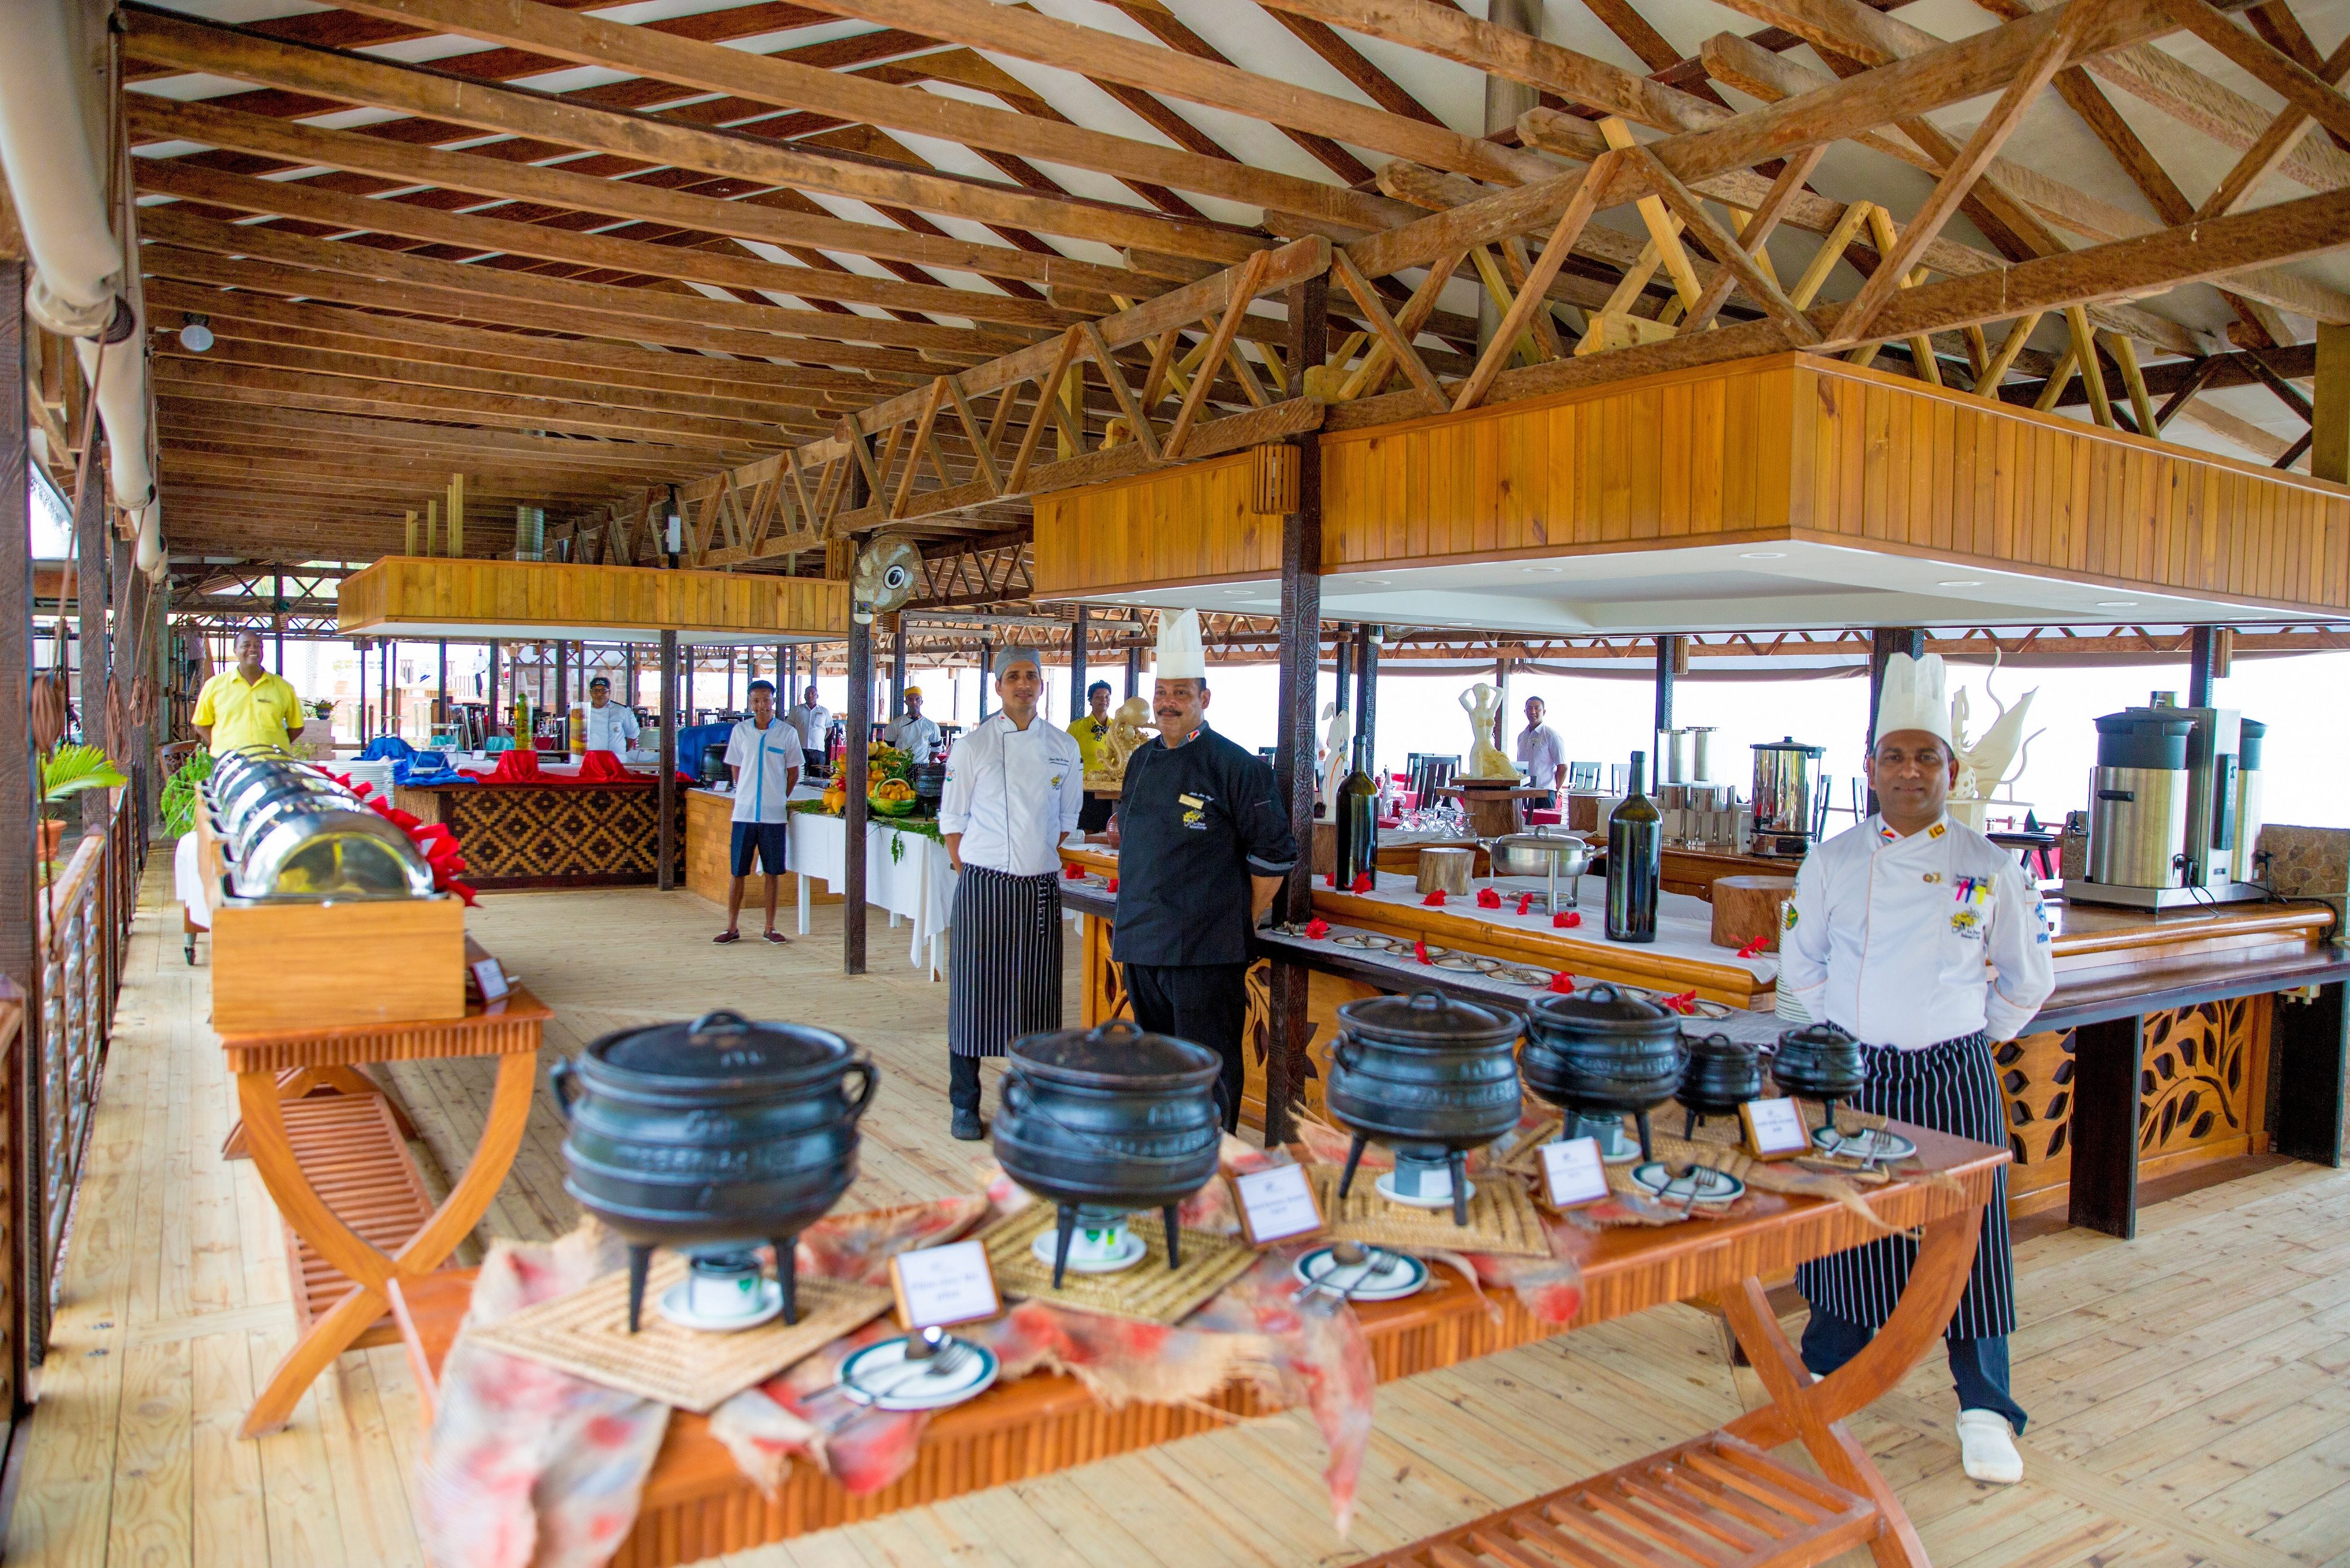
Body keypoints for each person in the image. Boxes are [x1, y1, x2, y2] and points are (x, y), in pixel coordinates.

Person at [1779, 651, 2054, 1487]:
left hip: (1955, 1077)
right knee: (1846, 1231)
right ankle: (1825, 1378)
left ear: (1951, 767)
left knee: (1972, 1242)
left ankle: (1984, 1408)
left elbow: (2028, 978)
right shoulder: (1832, 861)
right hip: (1859, 1078)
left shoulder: (1992, 867)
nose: (1909, 770)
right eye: (1894, 755)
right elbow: (1802, 969)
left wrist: (1963, 1031)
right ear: (1869, 768)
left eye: (1925, 755)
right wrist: (1847, 1038)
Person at [1106, 610, 1299, 1132]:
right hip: (1142, 943)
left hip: (1204, 952)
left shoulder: (1238, 767)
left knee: (1209, 1071)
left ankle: (1216, 1169)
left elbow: (1274, 857)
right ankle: (1170, 1163)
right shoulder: (1142, 759)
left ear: (1205, 699)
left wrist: (1239, 916)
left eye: (1181, 693)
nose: (1168, 703)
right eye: (1162, 691)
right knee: (1161, 1069)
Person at [938, 648, 1085, 1141]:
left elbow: (1066, 823)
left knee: (1037, 1001)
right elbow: (952, 823)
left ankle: (1032, 1104)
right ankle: (964, 1104)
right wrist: (978, 869)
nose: (1024, 684)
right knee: (972, 998)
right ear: (997, 686)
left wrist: (1033, 858)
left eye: (1031, 676)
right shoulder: (973, 746)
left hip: (1040, 888)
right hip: (983, 885)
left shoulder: (1064, 746)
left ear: (1042, 685)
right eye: (1014, 677)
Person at [715, 679, 800, 945]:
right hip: (744, 813)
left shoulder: (787, 733)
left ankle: (770, 927)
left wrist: (778, 797)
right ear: (750, 703)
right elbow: (736, 767)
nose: (761, 705)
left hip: (774, 816)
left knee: (773, 872)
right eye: (756, 701)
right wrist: (745, 792)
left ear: (773, 702)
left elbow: (793, 772)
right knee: (737, 871)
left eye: (766, 700)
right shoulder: (741, 732)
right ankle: (731, 927)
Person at [193, 630, 306, 756]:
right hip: (230, 765)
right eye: (246, 645)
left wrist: (276, 746)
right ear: (235, 650)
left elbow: (297, 727)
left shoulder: (284, 688)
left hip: (272, 764)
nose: (253, 649)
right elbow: (201, 725)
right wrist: (224, 747)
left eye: (258, 646)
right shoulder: (214, 685)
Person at [1067, 679, 1118, 832]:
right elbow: (1065, 755)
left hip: (1110, 789)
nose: (1104, 700)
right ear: (1090, 700)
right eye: (1098, 697)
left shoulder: (1117, 727)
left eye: (1107, 697)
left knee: (1109, 830)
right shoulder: (1077, 727)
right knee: (1087, 831)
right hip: (1085, 788)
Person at [1515, 695, 1566, 807]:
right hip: (1523, 793)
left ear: (1544, 712)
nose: (1533, 711)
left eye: (1537, 708)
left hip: (1544, 794)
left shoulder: (1551, 736)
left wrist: (1556, 789)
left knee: (1544, 825)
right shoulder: (1521, 736)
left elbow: (1563, 767)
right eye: (1529, 708)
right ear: (1525, 711)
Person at [581, 674, 640, 757]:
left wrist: (621, 753)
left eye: (603, 690)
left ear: (609, 692)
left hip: (617, 760)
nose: (599, 694)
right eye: (595, 691)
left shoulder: (622, 710)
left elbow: (632, 735)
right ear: (591, 693)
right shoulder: (584, 711)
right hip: (592, 761)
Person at [881, 685, 942, 759]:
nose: (914, 702)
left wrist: (927, 764)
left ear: (921, 702)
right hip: (901, 767)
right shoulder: (895, 724)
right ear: (906, 702)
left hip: (922, 767)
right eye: (910, 699)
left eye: (917, 699)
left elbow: (937, 749)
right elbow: (889, 748)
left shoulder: (932, 726)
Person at [785, 684, 831, 775]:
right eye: (808, 693)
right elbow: (789, 727)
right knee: (799, 778)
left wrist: (821, 739)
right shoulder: (797, 710)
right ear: (804, 696)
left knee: (817, 779)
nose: (810, 695)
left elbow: (829, 729)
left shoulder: (824, 711)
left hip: (818, 751)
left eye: (813, 693)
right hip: (800, 750)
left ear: (817, 696)